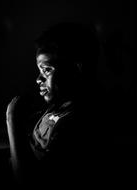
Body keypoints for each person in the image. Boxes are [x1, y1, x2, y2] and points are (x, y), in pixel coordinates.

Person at [6, 22, 103, 189]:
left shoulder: (77, 123)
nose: (38, 79)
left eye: (47, 70)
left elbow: (28, 182)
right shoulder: (58, 107)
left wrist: (12, 119)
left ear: (76, 69)